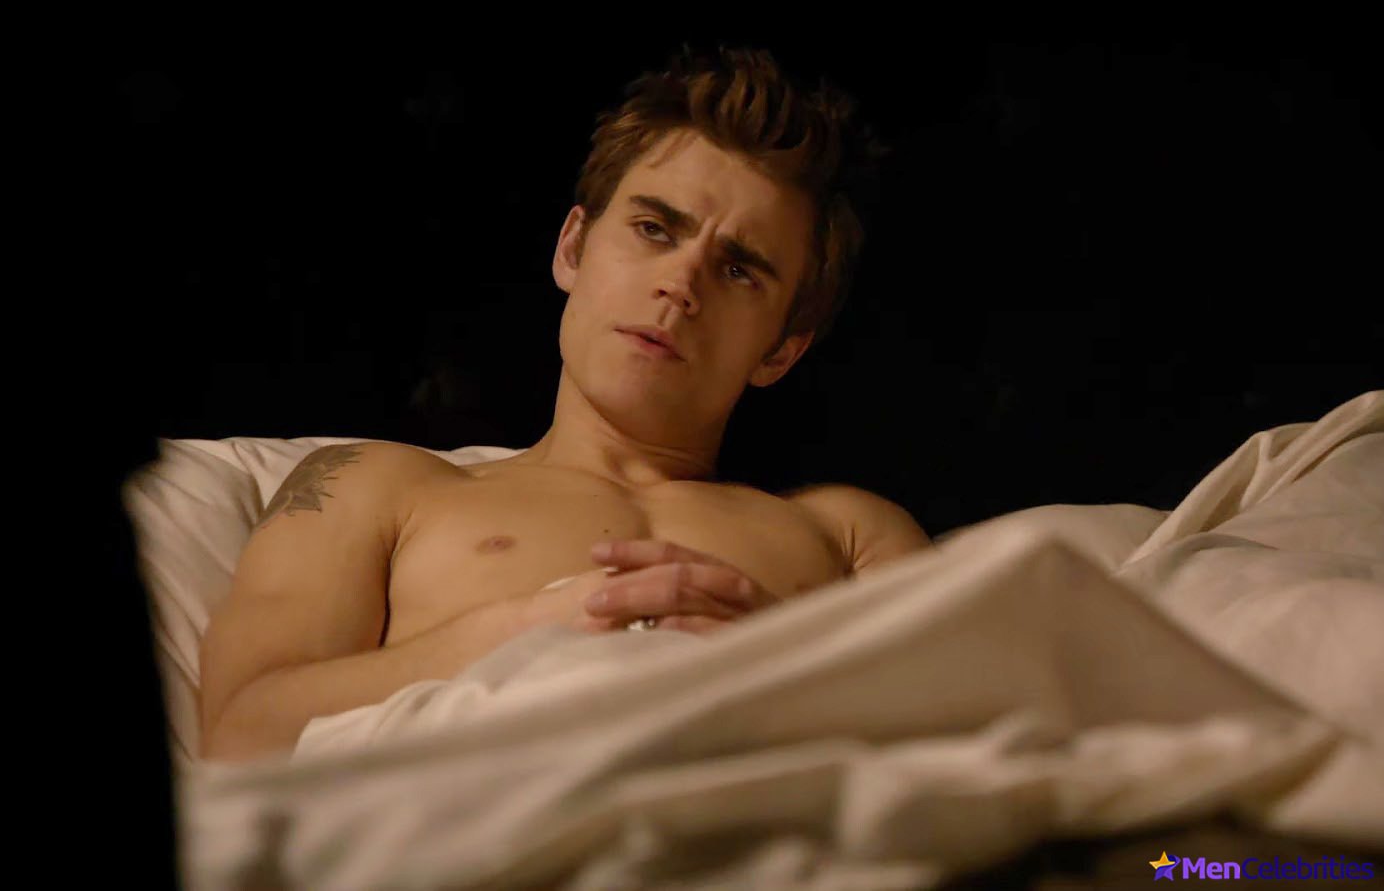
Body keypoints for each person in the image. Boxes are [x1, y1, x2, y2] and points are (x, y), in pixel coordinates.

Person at [199, 44, 933, 763]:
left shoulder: (848, 535)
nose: (681, 284)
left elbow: (960, 755)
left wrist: (777, 674)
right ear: (573, 248)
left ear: (780, 350)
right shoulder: (373, 484)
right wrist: (525, 631)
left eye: (739, 270)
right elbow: (241, 737)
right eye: (654, 229)